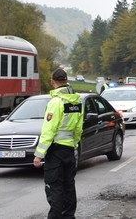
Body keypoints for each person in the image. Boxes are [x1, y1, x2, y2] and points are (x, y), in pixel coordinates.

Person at [33, 68, 84, 219]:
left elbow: (49, 130)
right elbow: (78, 129)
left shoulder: (55, 103)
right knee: (69, 186)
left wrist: (38, 155)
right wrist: (74, 144)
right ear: (66, 80)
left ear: (52, 81)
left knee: (54, 187)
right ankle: (69, 216)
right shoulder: (77, 101)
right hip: (69, 150)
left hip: (55, 151)